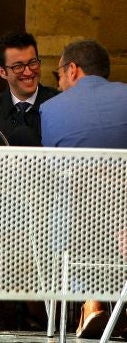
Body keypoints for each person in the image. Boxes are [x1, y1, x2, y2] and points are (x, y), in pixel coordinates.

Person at [40, 39, 127, 338]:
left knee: (66, 199)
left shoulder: (51, 109)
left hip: (77, 226)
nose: (60, 83)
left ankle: (92, 301)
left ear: (73, 70)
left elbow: (53, 171)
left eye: (58, 75)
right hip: (122, 218)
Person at [0, 31, 58, 146]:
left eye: (33, 63)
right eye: (18, 66)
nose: (28, 72)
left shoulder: (60, 104)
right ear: (2, 72)